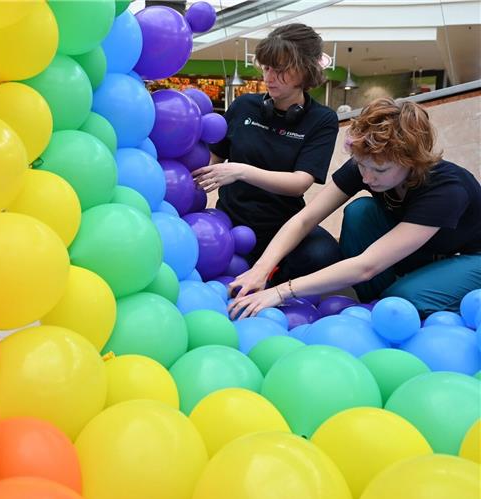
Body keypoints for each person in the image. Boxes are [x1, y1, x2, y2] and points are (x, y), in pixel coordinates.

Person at [228, 97, 481, 318]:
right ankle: (377, 298)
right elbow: (305, 220)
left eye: (380, 170)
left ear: (411, 162)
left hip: (471, 256)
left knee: (400, 302)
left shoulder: (446, 189)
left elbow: (367, 266)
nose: (367, 177)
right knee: (360, 211)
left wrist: (282, 291)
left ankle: (419, 294)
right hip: (425, 248)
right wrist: (260, 270)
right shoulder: (367, 163)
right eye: (361, 165)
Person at [193, 23, 341, 283]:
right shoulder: (243, 106)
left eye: (281, 70)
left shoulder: (322, 120)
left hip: (284, 227)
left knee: (324, 253)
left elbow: (299, 183)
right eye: (266, 67)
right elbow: (212, 160)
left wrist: (241, 171)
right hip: (232, 223)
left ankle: (273, 284)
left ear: (305, 71)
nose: (269, 77)